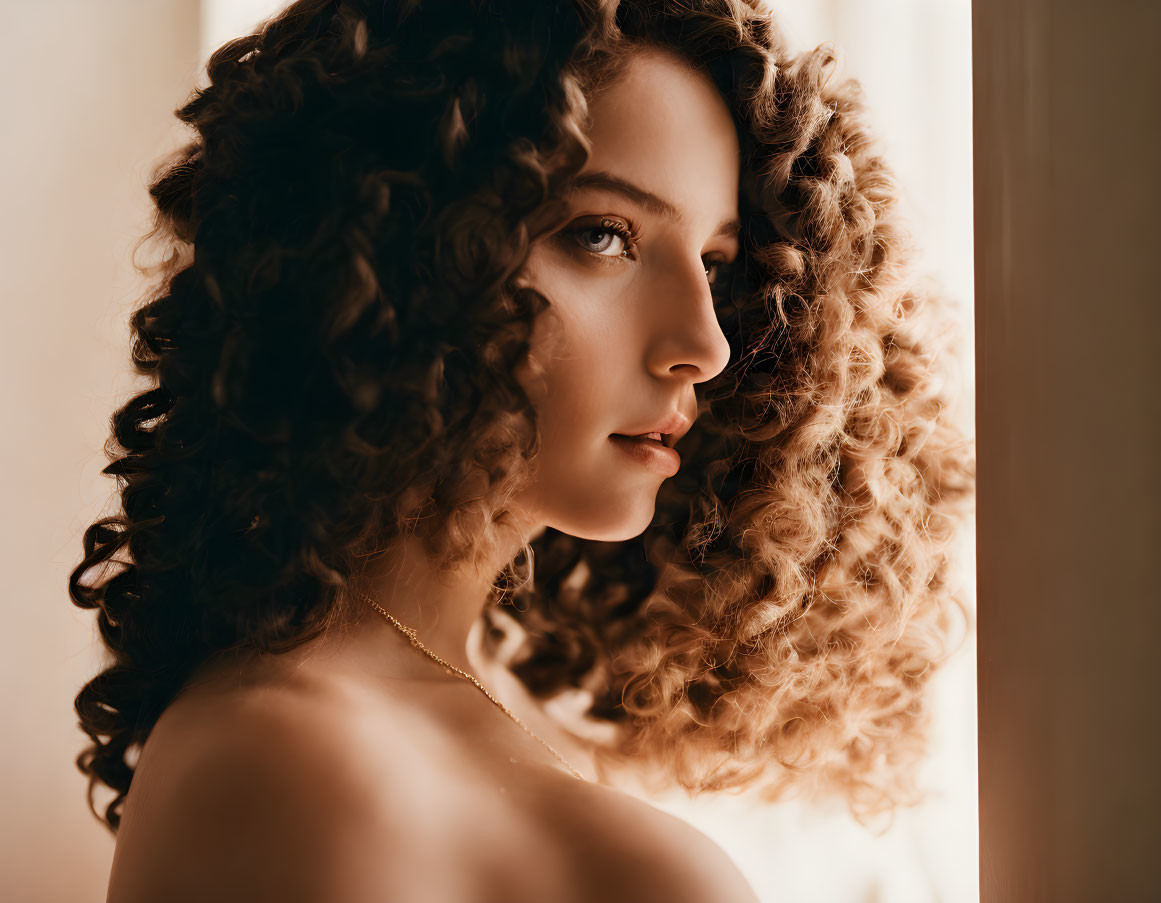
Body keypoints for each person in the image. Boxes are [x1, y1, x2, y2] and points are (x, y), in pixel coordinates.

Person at [71, 0, 975, 900]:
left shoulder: (314, 726)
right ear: (398, 249)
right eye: (603, 236)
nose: (705, 343)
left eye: (715, 263)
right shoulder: (299, 765)